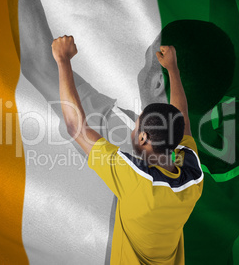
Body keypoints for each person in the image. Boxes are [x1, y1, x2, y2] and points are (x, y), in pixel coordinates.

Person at [15, 0, 239, 263]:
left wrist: (62, 58)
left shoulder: (136, 154)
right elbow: (231, 58)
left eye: (148, 57)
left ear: (160, 82)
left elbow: (42, 66)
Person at [52, 37, 203, 264]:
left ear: (143, 137)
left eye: (136, 125)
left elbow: (76, 128)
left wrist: (62, 60)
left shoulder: (135, 178)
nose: (133, 128)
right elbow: (182, 118)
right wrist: (172, 69)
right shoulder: (192, 175)